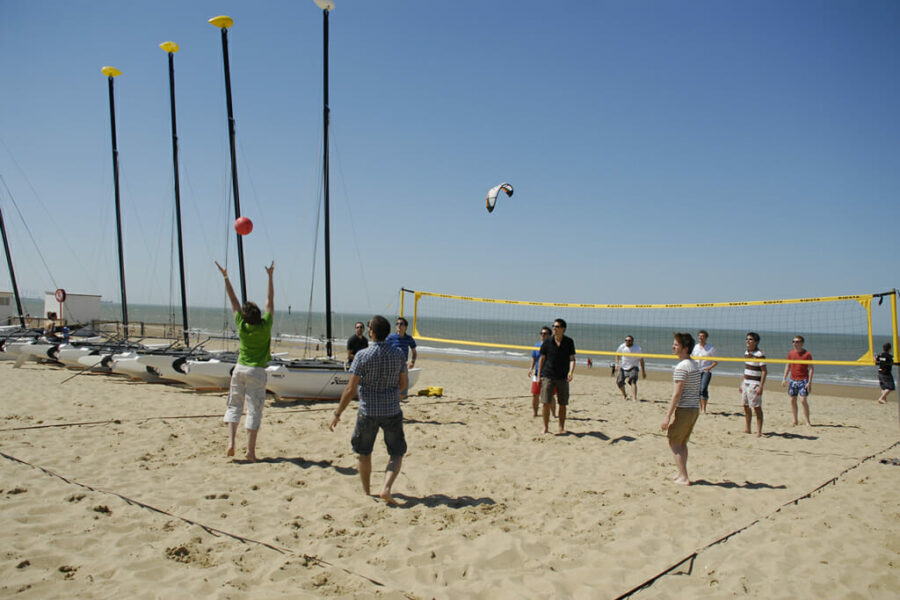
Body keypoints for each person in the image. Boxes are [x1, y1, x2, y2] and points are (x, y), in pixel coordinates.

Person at [330, 315, 408, 505]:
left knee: (364, 452)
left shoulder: (362, 355)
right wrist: (396, 395)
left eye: (368, 328)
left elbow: (350, 389)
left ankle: (367, 492)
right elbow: (404, 385)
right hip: (391, 410)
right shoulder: (398, 354)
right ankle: (386, 488)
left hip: (368, 411)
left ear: (371, 332)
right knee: (396, 452)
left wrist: (337, 413)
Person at [216, 260, 274, 463]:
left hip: (239, 368)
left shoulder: (242, 325)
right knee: (254, 410)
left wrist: (225, 276)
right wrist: (270, 277)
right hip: (256, 371)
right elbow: (270, 300)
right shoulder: (265, 325)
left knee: (234, 406)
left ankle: (231, 442)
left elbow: (233, 299)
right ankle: (250, 451)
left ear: (245, 316)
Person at [661, 332, 701, 485]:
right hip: (694, 409)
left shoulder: (682, 367)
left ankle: (684, 476)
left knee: (674, 442)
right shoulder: (693, 364)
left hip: (685, 409)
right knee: (682, 442)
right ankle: (681, 473)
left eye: (676, 345)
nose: (673, 347)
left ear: (685, 348)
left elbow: (677, 394)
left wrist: (667, 416)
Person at [537, 318, 576, 434]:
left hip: (562, 377)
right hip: (548, 375)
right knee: (546, 403)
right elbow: (542, 359)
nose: (554, 328)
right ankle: (545, 427)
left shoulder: (569, 342)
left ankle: (561, 427)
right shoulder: (548, 341)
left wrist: (571, 373)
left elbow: (572, 359)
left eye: (557, 327)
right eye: (553, 326)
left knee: (563, 403)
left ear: (563, 329)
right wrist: (539, 375)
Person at [782, 335, 813, 426]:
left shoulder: (807, 354)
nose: (795, 343)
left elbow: (811, 368)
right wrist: (784, 378)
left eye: (797, 342)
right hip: (793, 380)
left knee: (803, 400)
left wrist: (809, 382)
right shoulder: (791, 353)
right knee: (792, 399)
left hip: (803, 380)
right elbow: (788, 366)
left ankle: (807, 421)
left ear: (802, 343)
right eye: (794, 341)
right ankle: (795, 420)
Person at [740, 332, 767, 437]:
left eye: (750, 339)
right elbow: (746, 369)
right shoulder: (746, 352)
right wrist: (742, 383)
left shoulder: (760, 354)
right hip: (746, 383)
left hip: (754, 384)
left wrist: (761, 386)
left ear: (756, 342)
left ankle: (759, 431)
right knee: (745, 406)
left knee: (756, 407)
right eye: (747, 339)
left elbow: (764, 371)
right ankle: (748, 428)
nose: (748, 341)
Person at [528, 326, 556, 418]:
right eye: (541, 333)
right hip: (537, 374)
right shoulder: (537, 345)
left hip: (549, 374)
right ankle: (535, 413)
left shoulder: (553, 346)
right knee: (535, 395)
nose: (543, 335)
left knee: (550, 396)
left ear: (549, 335)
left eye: (545, 334)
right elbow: (533, 358)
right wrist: (531, 368)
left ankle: (553, 414)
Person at [693, 330, 718, 414]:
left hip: (706, 371)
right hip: (697, 371)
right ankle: (701, 408)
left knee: (703, 388)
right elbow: (692, 358)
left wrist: (709, 368)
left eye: (702, 336)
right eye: (699, 336)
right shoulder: (695, 347)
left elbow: (715, 361)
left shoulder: (710, 348)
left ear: (706, 338)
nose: (701, 337)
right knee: (698, 390)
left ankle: (704, 408)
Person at [614, 335, 645, 401]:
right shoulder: (622, 346)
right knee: (619, 382)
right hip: (623, 367)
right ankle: (624, 395)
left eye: (629, 340)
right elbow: (617, 355)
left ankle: (634, 398)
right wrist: (617, 364)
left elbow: (641, 360)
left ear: (632, 341)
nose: (627, 342)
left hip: (633, 366)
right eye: (626, 340)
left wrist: (643, 372)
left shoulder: (637, 348)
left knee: (633, 381)